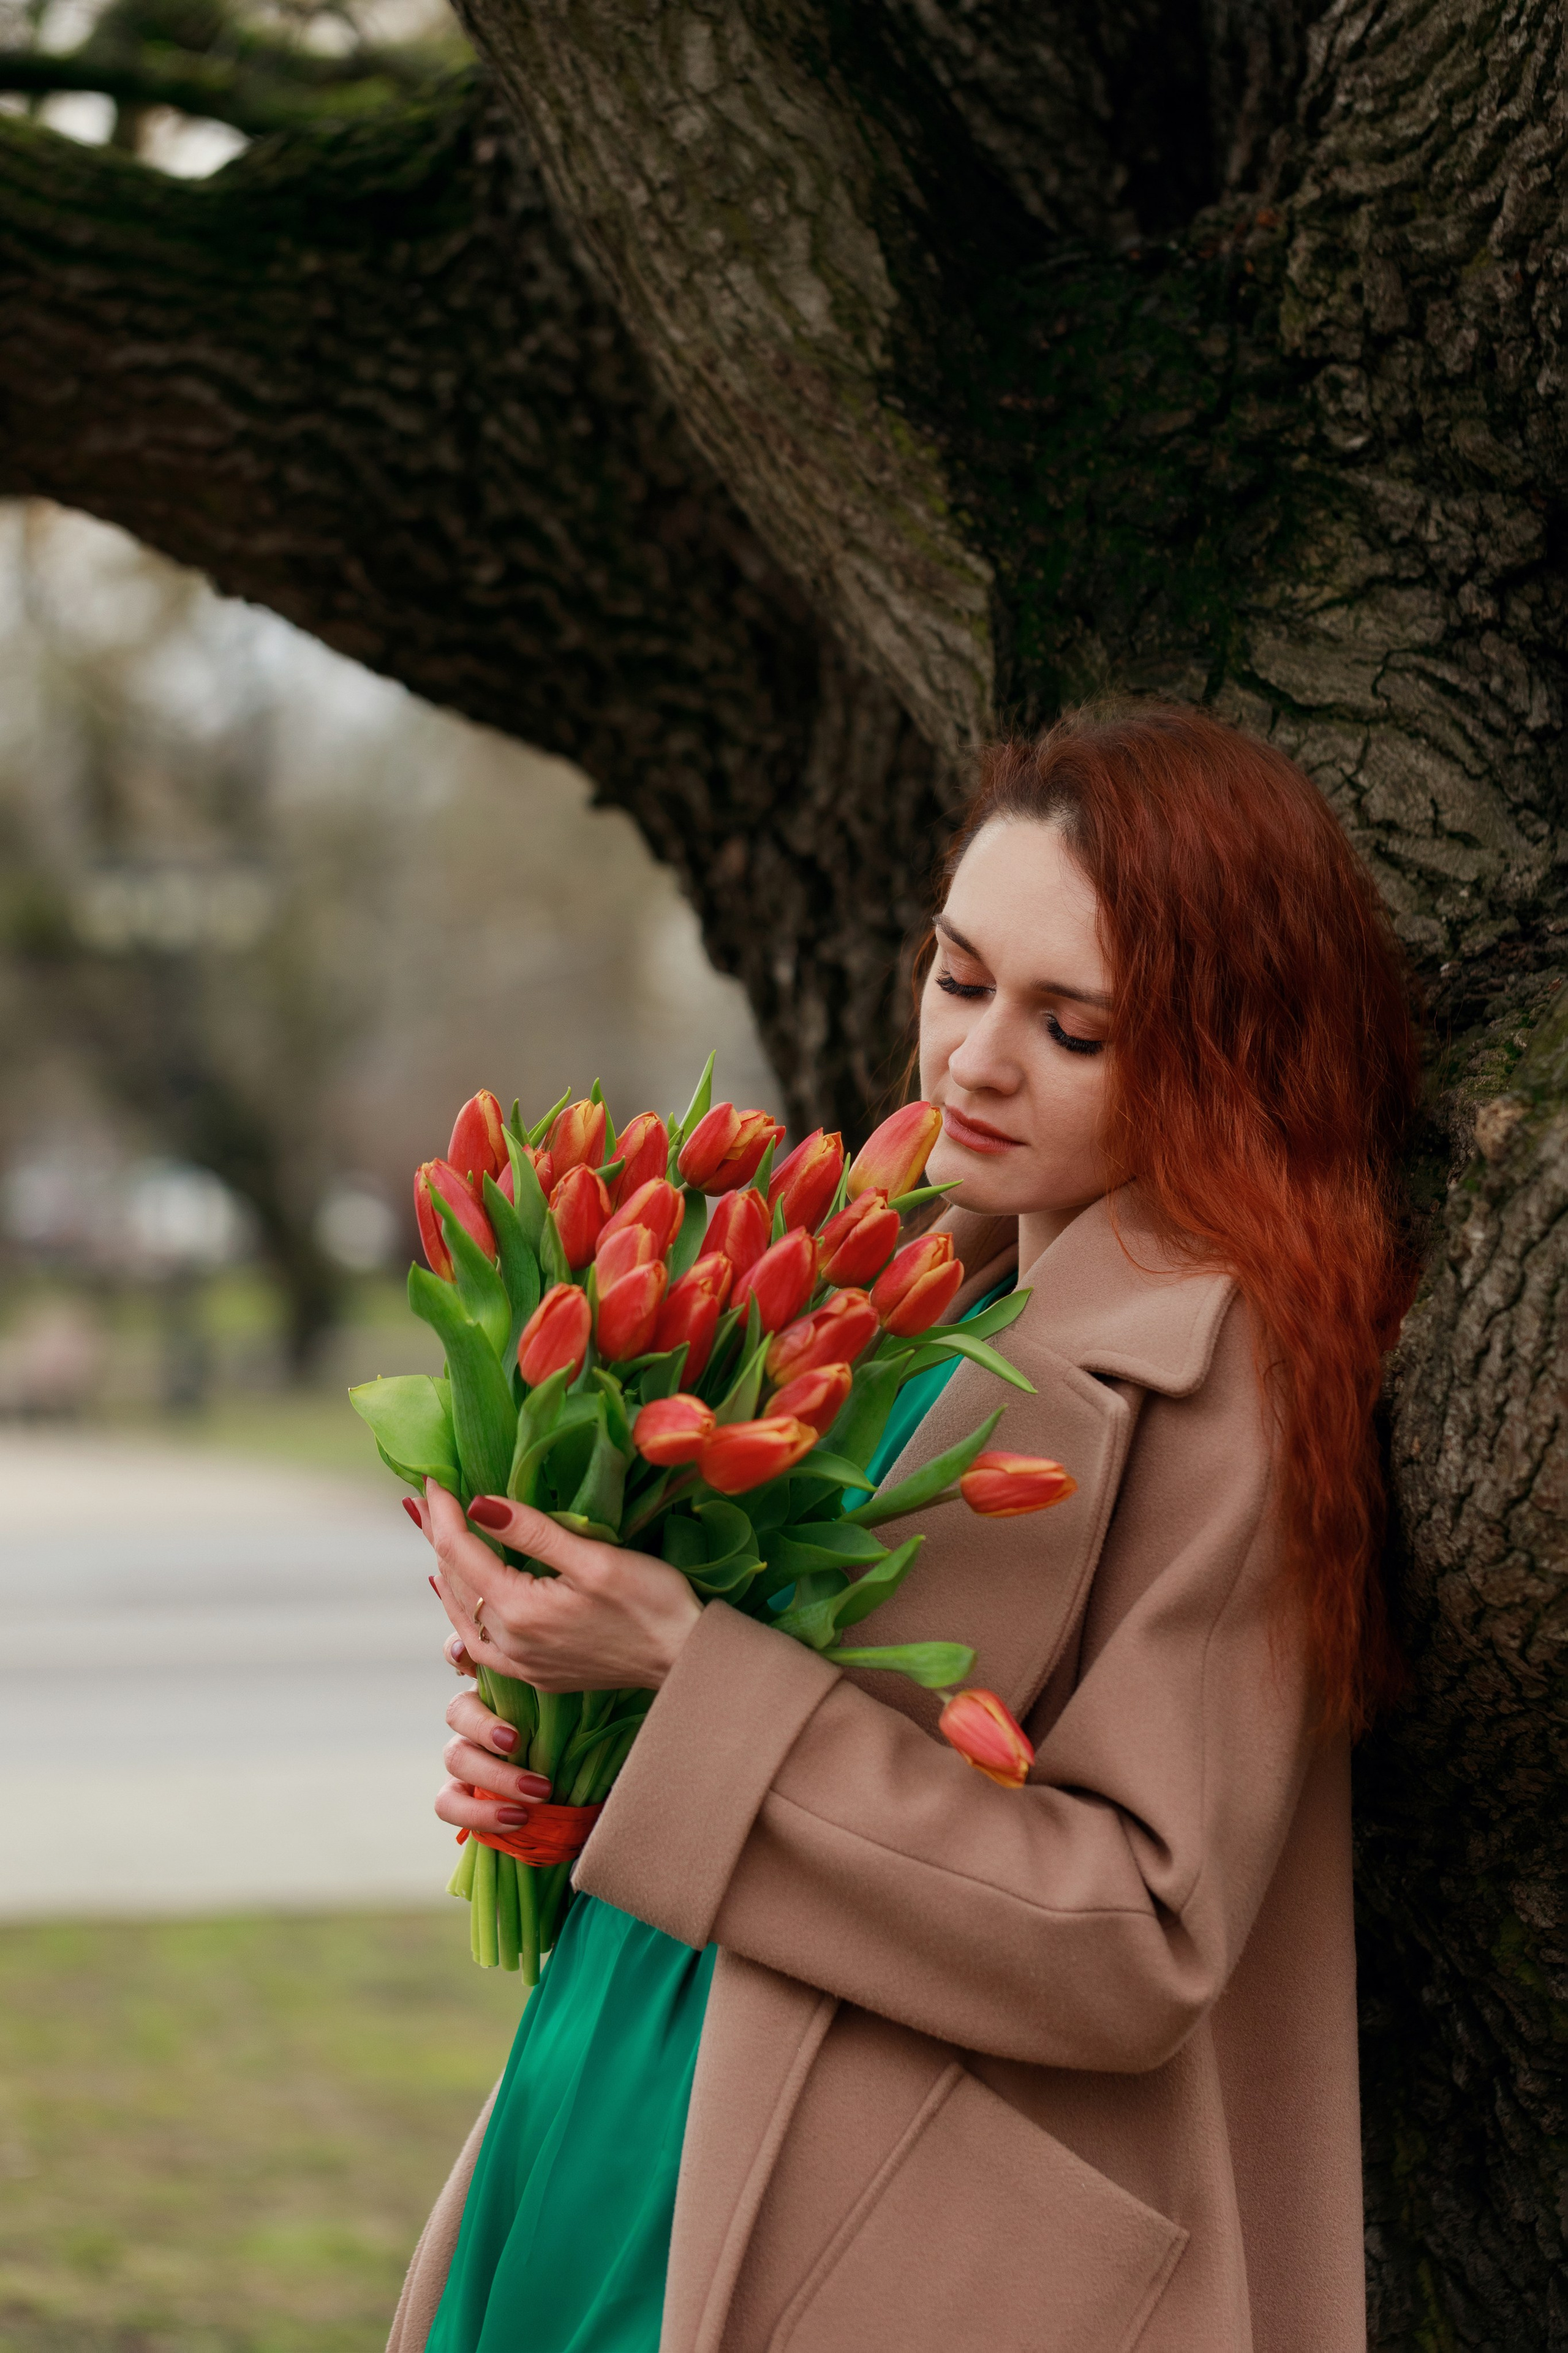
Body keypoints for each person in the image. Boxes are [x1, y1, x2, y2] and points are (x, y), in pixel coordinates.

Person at [394, 701, 1417, 2353]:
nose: (976, 1060)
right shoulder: (894, 1274)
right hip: (620, 2076)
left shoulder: (1218, 1362)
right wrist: (576, 1762)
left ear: (1225, 1047)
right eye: (960, 977)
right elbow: (801, 1743)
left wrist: (684, 1676)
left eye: (1073, 1027)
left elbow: (1142, 1936)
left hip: (854, 2208)